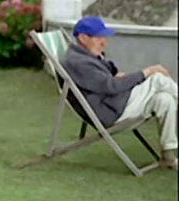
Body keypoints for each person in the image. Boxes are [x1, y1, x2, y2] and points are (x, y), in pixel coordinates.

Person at [64, 15, 177, 170]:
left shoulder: (86, 55)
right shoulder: (79, 62)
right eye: (99, 38)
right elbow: (111, 86)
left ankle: (168, 157)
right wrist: (146, 72)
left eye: (104, 37)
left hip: (116, 103)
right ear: (83, 38)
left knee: (164, 100)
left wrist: (113, 74)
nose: (104, 42)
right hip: (113, 112)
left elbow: (106, 79)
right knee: (156, 78)